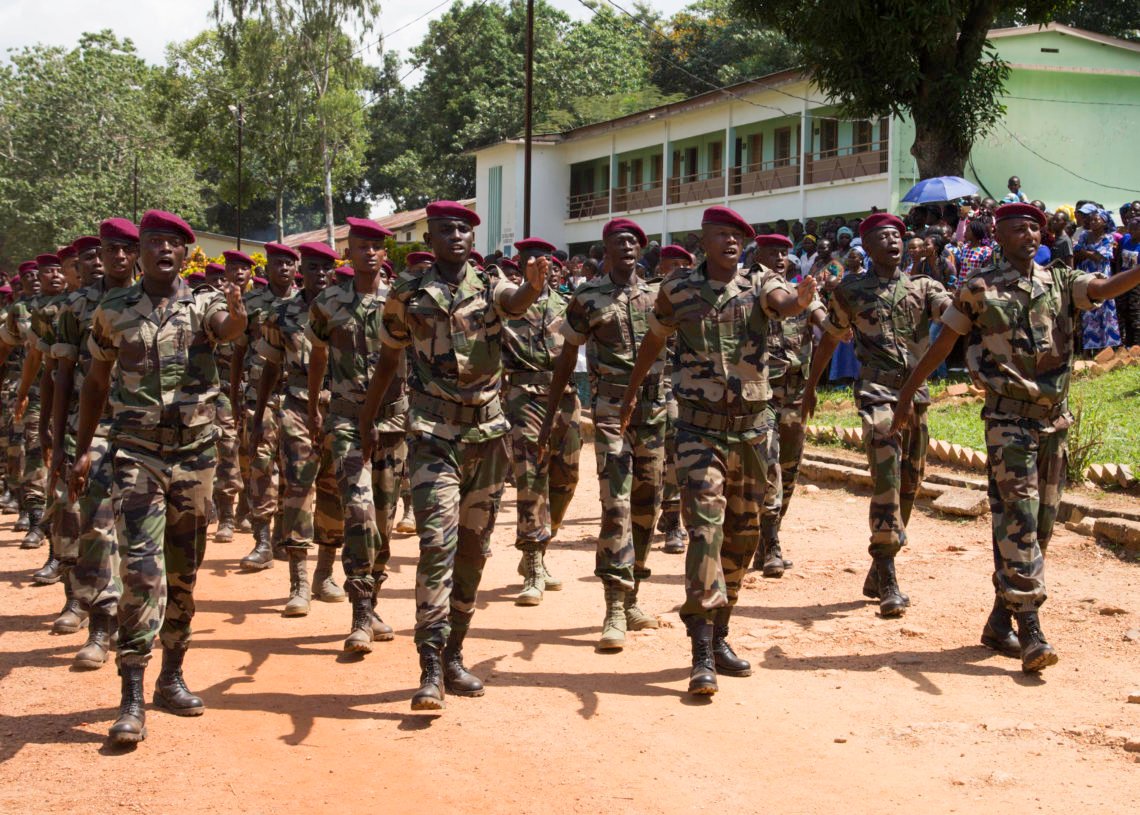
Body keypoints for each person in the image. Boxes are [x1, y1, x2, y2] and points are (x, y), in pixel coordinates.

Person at [890, 203, 1140, 672]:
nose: (1029, 235)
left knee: (1039, 526)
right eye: (1018, 229)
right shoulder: (979, 287)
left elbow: (1103, 289)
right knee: (1019, 519)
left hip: (1054, 422)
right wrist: (907, 395)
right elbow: (945, 342)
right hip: (1008, 421)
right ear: (999, 237)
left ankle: (998, 620)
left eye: (1033, 228)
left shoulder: (1060, 280)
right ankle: (1030, 628)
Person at [618, 207, 817, 695]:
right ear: (702, 240)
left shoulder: (760, 282)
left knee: (743, 537)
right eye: (722, 235)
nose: (731, 243)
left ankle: (721, 631)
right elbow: (655, 339)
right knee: (705, 532)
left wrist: (799, 300)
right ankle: (701, 650)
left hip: (752, 434)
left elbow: (783, 302)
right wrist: (632, 392)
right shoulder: (678, 289)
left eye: (738, 237)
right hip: (698, 433)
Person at [359, 200, 545, 711]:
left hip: (486, 437)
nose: (455, 237)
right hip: (432, 435)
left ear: (472, 238)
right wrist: (368, 420)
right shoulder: (406, 294)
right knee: (436, 544)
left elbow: (516, 302)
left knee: (473, 550)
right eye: (445, 230)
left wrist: (532, 287)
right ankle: (429, 665)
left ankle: (454, 654)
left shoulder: (491, 285)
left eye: (463, 229)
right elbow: (388, 360)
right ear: (431, 238)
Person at [70, 209, 247, 745]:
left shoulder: (205, 303)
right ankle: (131, 694)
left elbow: (228, 329)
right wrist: (80, 450)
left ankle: (172, 676)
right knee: (143, 573)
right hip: (137, 454)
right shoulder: (113, 311)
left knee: (184, 571)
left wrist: (238, 314)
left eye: (172, 243)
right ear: (139, 252)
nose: (162, 250)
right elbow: (95, 383)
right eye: (153, 242)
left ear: (185, 254)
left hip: (195, 456)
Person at [803, 213, 952, 618]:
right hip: (876, 394)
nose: (893, 242)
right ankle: (887, 573)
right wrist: (811, 386)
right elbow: (831, 339)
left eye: (897, 236)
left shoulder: (924, 286)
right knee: (887, 478)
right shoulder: (851, 291)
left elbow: (950, 313)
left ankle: (879, 567)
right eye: (883, 237)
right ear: (866, 247)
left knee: (910, 483)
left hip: (915, 394)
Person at [538, 218, 667, 653]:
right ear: (605, 249)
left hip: (655, 411)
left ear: (641, 249)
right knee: (616, 505)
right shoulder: (587, 297)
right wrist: (550, 413)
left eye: (633, 241)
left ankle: (633, 597)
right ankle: (613, 604)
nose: (626, 247)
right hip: (611, 412)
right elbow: (567, 356)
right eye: (618, 241)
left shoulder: (659, 295)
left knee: (647, 506)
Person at [307, 218, 404, 654]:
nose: (369, 253)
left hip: (393, 423)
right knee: (360, 513)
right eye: (361, 246)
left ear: (385, 254)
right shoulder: (328, 303)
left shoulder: (401, 301)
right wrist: (314, 405)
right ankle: (360, 613)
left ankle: (373, 601)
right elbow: (318, 354)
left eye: (376, 247)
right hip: (346, 420)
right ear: (348, 252)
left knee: (383, 519)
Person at [51, 219, 139, 670]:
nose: (119, 257)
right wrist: (58, 441)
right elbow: (63, 376)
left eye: (127, 248)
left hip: (146, 431)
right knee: (97, 524)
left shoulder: (158, 300)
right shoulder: (75, 306)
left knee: (138, 535)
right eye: (111, 249)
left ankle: (135, 623)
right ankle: (101, 625)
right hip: (95, 429)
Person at [253, 241, 346, 616]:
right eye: (312, 267)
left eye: (326, 268)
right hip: (296, 406)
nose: (319, 274)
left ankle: (325, 574)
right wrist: (259, 413)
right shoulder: (282, 314)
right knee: (298, 487)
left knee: (335, 490)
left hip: (340, 407)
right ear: (300, 271)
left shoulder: (345, 308)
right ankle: (299, 582)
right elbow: (271, 365)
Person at [501, 237, 581, 606]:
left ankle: (541, 546)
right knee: (532, 477)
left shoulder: (567, 304)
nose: (539, 265)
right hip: (524, 395)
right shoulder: (507, 305)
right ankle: (533, 565)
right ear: (520, 265)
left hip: (565, 396)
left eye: (544, 260)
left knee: (567, 477)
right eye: (530, 260)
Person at [751, 234, 826, 577]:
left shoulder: (802, 294)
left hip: (796, 394)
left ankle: (769, 537)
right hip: (762, 394)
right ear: (758, 255)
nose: (780, 258)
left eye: (784, 253)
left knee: (790, 468)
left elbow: (823, 320)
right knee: (770, 467)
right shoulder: (749, 293)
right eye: (773, 252)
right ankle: (771, 545)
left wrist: (837, 326)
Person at [233, 247, 295, 570]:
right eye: (277, 263)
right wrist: (234, 395)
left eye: (288, 263)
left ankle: (283, 536)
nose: (283, 268)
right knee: (260, 464)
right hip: (259, 396)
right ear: (267, 267)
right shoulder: (253, 302)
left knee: (292, 467)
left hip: (295, 396)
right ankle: (262, 539)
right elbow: (238, 352)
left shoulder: (306, 304)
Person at [654, 245, 694, 555]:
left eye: (685, 265)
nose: (681, 271)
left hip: (695, 384)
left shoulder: (698, 296)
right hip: (661, 380)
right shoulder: (650, 295)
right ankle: (671, 520)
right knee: (672, 448)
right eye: (675, 265)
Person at [1074, 208, 1121, 353]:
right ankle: (1089, 348)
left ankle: (1107, 347)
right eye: (1091, 220)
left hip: (1102, 276)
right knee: (1088, 306)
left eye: (1096, 220)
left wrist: (1084, 252)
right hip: (1086, 275)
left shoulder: (1108, 238)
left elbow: (1099, 257)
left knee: (1104, 308)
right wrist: (1089, 253)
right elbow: (1077, 253)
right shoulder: (1084, 235)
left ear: (1104, 222)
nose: (1092, 222)